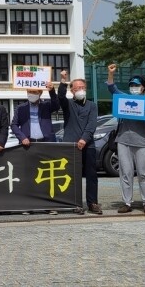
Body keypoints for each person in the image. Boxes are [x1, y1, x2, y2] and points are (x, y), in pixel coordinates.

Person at [107, 64, 145, 214]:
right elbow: (112, 89)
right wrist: (111, 74)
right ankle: (127, 203)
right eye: (131, 85)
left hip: (143, 142)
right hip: (123, 141)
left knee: (144, 173)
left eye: (137, 85)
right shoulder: (123, 99)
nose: (134, 87)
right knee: (125, 173)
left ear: (143, 88)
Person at [58, 70, 102, 215]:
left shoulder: (92, 105)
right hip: (70, 145)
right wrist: (63, 81)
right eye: (77, 88)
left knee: (91, 175)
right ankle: (75, 203)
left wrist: (84, 138)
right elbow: (60, 97)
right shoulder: (68, 104)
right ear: (72, 90)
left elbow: (92, 124)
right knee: (72, 176)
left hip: (88, 145)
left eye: (82, 88)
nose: (80, 91)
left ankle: (93, 203)